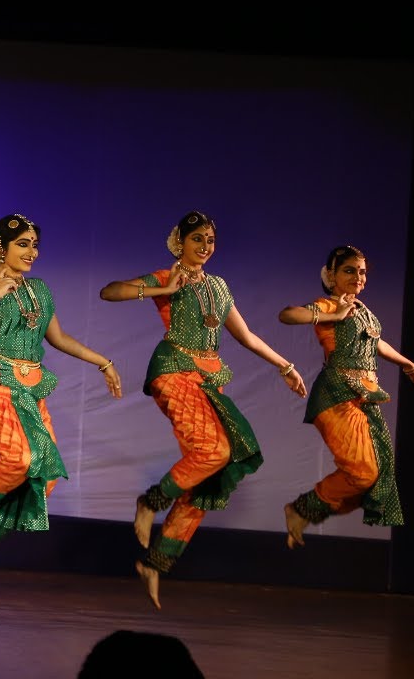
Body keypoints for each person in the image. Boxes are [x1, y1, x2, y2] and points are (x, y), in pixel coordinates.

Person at [98, 210, 306, 609]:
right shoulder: (166, 278)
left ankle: (157, 563)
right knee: (215, 452)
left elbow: (246, 336)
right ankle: (150, 502)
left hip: (209, 379)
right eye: (198, 239)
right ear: (181, 241)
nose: (205, 246)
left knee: (209, 476)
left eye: (210, 240)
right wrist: (160, 291)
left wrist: (286, 366)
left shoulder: (219, 287)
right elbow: (110, 292)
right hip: (175, 370)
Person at [0, 213, 122, 589]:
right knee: (18, 458)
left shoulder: (40, 290)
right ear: (1, 247)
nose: (32, 251)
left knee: (44, 478)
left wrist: (104, 362)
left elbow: (59, 338)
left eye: (35, 244)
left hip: (28, 388)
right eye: (23, 244)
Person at [278, 245, 414, 548]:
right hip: (336, 396)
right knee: (363, 473)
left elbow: (377, 344)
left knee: (374, 480)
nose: (357, 277)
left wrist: (408, 364)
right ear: (331, 275)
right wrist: (338, 312)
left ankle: (302, 512)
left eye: (362, 272)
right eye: (349, 270)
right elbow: (288, 315)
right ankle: (301, 509)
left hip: (363, 397)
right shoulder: (331, 306)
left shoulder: (363, 311)